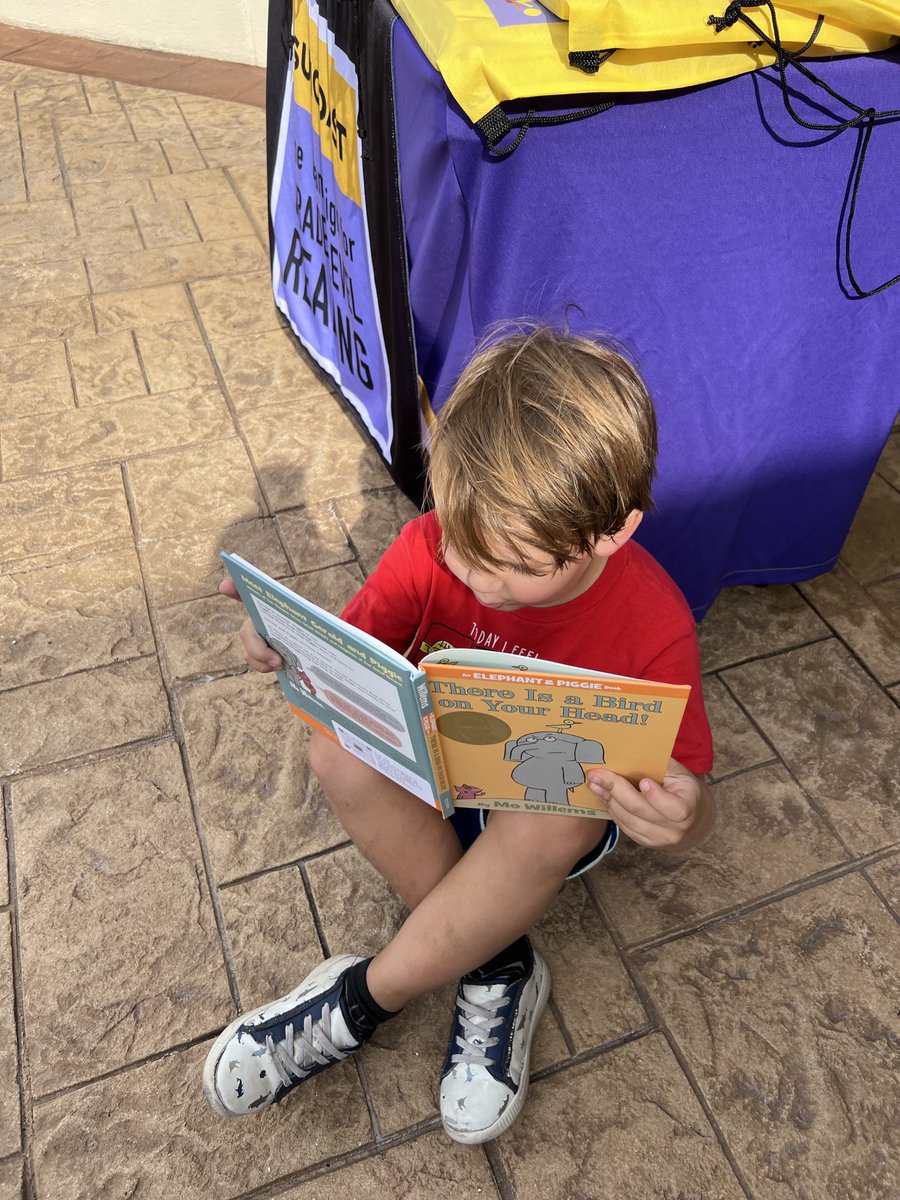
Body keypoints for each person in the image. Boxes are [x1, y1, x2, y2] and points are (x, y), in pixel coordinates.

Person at [203, 324, 714, 1144]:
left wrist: (683, 810)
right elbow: (356, 658)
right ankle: (497, 960)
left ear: (615, 531)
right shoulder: (430, 545)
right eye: (460, 537)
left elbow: (689, 782)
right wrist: (289, 644)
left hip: (547, 821)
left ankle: (364, 999)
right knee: (333, 750)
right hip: (433, 774)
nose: (473, 575)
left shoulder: (654, 625)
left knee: (556, 811)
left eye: (510, 562)